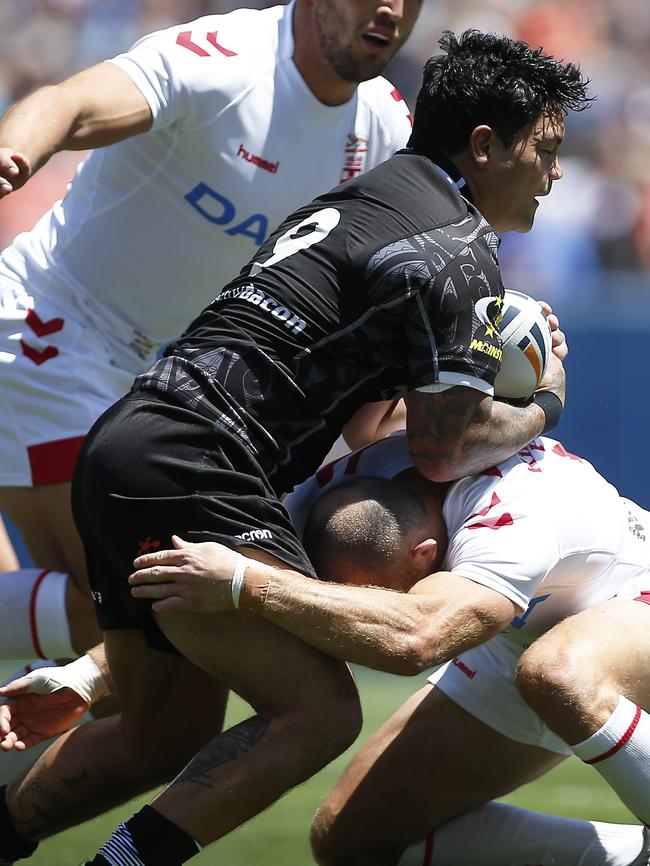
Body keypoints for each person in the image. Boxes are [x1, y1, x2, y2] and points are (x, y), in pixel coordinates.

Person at [0, 30, 589, 865]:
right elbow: (437, 451)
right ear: (487, 147)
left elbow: (365, 422)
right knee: (321, 714)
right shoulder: (456, 255)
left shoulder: (368, 193)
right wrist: (548, 396)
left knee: (164, 734)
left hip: (132, 436)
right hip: (197, 459)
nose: (557, 173)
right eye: (547, 149)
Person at [6, 427, 650, 866]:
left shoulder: (516, 519)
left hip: (630, 599)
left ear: (427, 556)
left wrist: (249, 584)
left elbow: (416, 636)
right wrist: (88, 676)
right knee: (352, 841)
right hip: (521, 630)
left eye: (381, 594)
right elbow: (201, 602)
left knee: (559, 673)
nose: (351, 625)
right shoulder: (316, 496)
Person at [0, 0, 421, 664]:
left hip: (136, 370)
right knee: (129, 610)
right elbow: (73, 102)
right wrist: (12, 153)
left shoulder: (386, 127)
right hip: (47, 329)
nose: (391, 9)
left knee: (129, 637)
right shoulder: (227, 61)